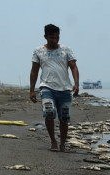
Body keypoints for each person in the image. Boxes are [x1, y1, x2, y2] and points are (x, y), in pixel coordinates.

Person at [29, 24, 79, 152]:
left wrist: (76, 84)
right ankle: (53, 141)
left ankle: (63, 144)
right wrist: (32, 90)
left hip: (65, 89)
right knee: (49, 113)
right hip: (47, 87)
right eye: (51, 38)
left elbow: (73, 67)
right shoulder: (38, 51)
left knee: (64, 118)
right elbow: (34, 71)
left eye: (57, 37)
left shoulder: (66, 50)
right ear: (45, 36)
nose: (54, 40)